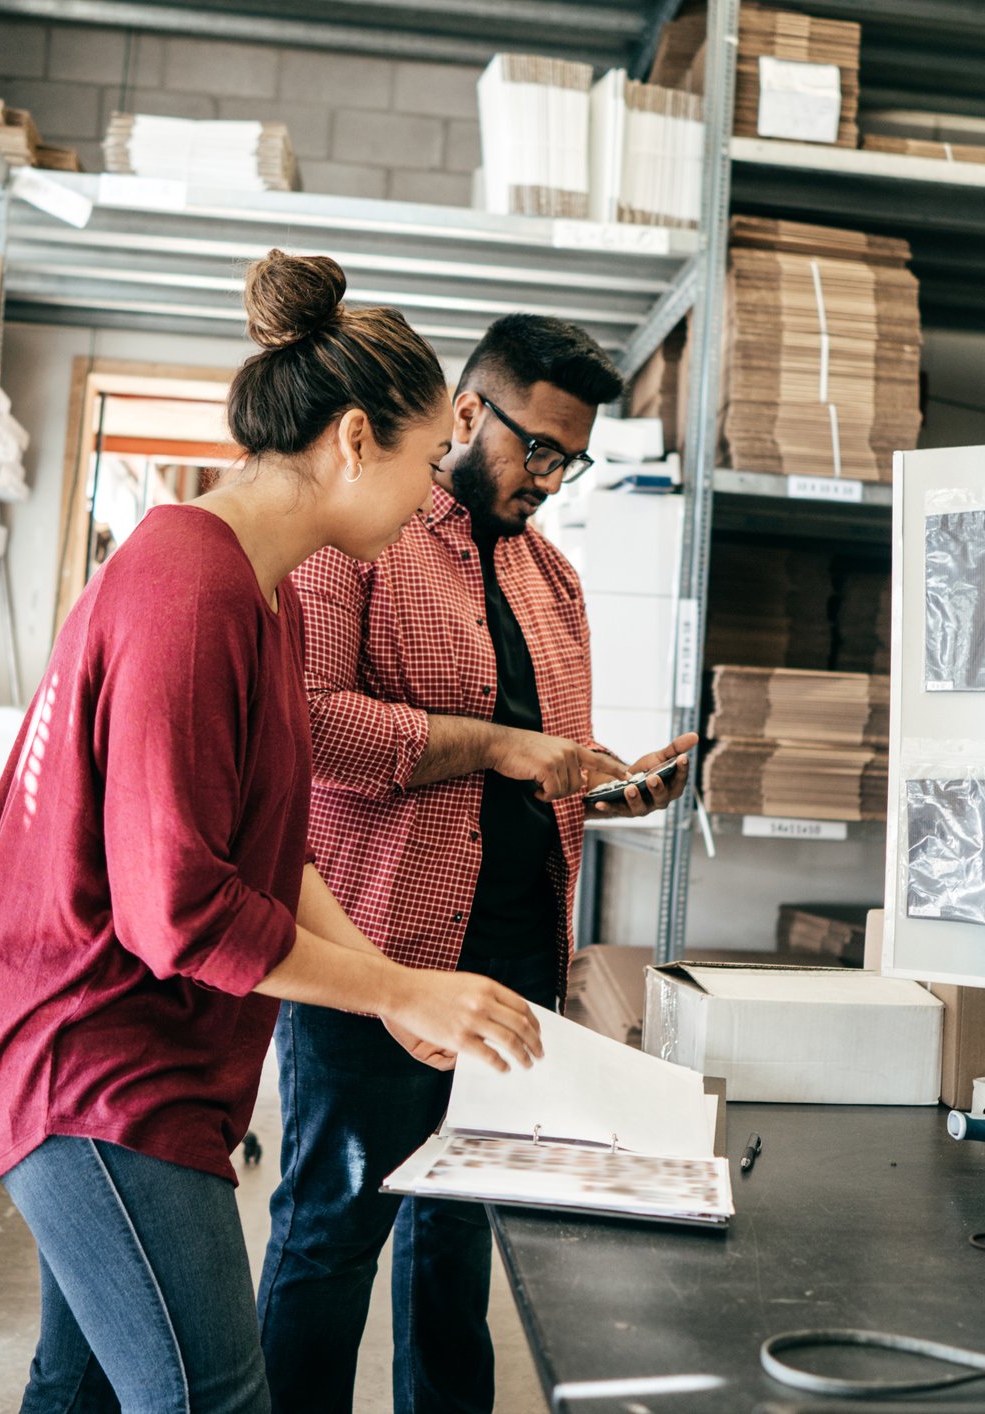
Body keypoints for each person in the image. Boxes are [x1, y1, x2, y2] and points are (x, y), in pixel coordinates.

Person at [0, 252, 545, 1414]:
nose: (436, 489)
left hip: (123, 1037)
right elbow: (176, 906)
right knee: (209, 1395)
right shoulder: (191, 591)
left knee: (78, 1381)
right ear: (350, 440)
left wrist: (397, 980)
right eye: (427, 457)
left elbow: (273, 847)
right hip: (85, 1054)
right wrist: (391, 996)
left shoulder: (260, 589)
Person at [258, 314, 700, 1413]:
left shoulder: (558, 584)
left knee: (455, 1249)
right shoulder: (358, 541)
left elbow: (521, 788)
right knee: (329, 1235)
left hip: (511, 969)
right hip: (378, 962)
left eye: (571, 456)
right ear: (465, 413)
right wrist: (497, 743)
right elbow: (308, 726)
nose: (549, 477)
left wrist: (607, 793)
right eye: (536, 446)